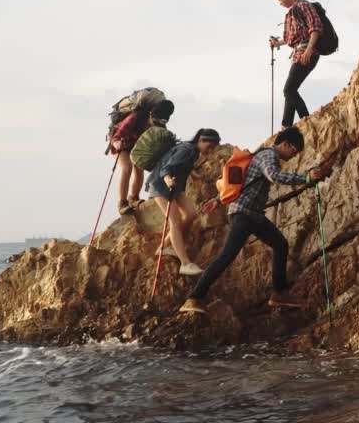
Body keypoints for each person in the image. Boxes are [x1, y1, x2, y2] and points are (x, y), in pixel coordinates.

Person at [180, 127, 332, 314]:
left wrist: (218, 200)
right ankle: (194, 297)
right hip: (245, 214)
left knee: (280, 244)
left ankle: (279, 294)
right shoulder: (269, 156)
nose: (293, 156)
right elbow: (274, 175)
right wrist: (306, 178)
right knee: (226, 256)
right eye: (294, 151)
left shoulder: (259, 155)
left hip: (251, 214)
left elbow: (243, 182)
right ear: (285, 144)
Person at [149, 128, 221, 276]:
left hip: (175, 188)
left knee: (191, 214)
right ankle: (185, 263)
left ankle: (164, 247)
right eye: (210, 146)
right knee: (174, 222)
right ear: (201, 140)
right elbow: (167, 168)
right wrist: (168, 179)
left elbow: (183, 165)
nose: (211, 150)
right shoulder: (187, 149)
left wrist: (195, 175)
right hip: (161, 186)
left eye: (213, 147)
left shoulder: (192, 152)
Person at [269, 0, 324, 129]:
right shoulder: (294, 11)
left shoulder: (303, 6)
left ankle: (307, 122)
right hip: (300, 52)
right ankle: (285, 127)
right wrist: (277, 43)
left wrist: (308, 50)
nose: (279, 3)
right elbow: (291, 39)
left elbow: (315, 28)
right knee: (290, 91)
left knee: (289, 90)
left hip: (306, 52)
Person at [108, 101, 172, 216]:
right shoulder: (136, 118)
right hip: (121, 144)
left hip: (136, 147)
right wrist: (117, 143)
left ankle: (134, 198)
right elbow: (116, 136)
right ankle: (122, 203)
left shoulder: (160, 127)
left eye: (160, 122)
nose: (155, 124)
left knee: (139, 167)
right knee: (126, 168)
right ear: (151, 114)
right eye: (155, 120)